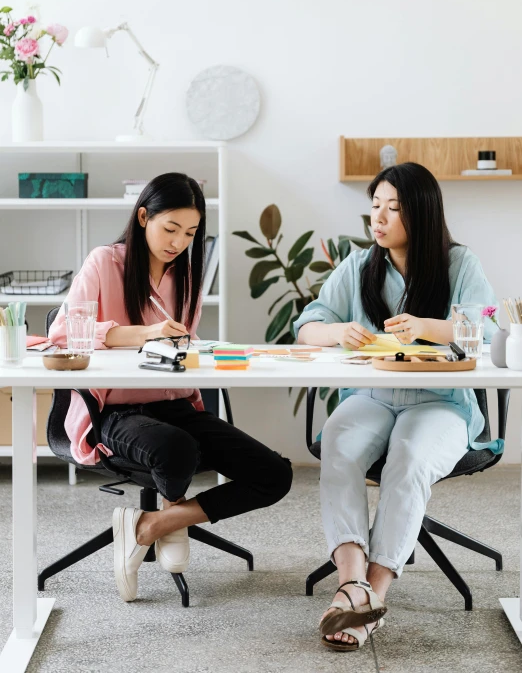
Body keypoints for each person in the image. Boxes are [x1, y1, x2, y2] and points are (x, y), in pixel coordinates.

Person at [49, 172, 292, 603]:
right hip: (115, 412)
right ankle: (171, 509)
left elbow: (179, 347)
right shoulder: (105, 262)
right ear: (143, 217)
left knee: (274, 474)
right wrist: (144, 332)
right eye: (170, 228)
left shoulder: (187, 276)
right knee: (176, 449)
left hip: (175, 403)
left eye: (191, 233)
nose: (179, 242)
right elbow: (64, 331)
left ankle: (160, 522)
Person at [294, 162, 501, 652]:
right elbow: (307, 325)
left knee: (408, 460)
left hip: (441, 401)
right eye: (375, 207)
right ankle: (352, 585)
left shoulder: (459, 264)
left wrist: (430, 326)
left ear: (422, 214)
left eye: (392, 208)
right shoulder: (360, 265)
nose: (379, 219)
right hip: (371, 395)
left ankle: (375, 595)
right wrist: (336, 332)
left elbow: (489, 330)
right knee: (340, 450)